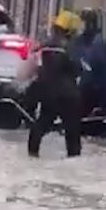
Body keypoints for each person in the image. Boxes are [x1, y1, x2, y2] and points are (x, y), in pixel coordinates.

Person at [28, 11, 84, 159]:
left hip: (47, 93)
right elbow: (79, 69)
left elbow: (34, 67)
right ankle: (73, 162)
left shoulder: (45, 46)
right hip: (67, 96)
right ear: (70, 31)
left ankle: (32, 156)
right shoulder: (70, 48)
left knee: (40, 125)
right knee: (72, 133)